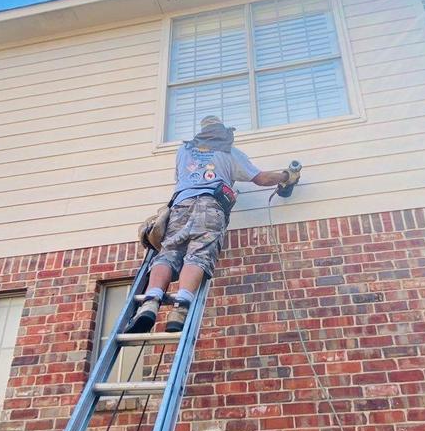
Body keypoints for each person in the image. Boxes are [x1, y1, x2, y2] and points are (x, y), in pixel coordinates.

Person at [126, 115, 300, 334]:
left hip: (181, 206)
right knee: (198, 255)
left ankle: (150, 303)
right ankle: (180, 309)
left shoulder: (184, 151)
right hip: (211, 207)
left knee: (168, 254)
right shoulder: (229, 151)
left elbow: (180, 179)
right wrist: (287, 175)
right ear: (224, 131)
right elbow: (261, 178)